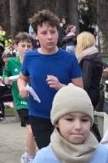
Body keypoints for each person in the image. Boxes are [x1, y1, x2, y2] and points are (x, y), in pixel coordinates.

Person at [18, 9, 83, 150]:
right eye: (44, 33)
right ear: (36, 35)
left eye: (53, 32)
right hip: (38, 115)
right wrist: (22, 88)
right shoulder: (30, 57)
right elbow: (22, 78)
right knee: (47, 153)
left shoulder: (69, 58)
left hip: (65, 115)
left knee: (65, 153)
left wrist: (61, 86)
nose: (49, 37)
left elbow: (80, 91)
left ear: (58, 33)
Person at [3, 32, 36, 163]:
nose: (26, 48)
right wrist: (6, 79)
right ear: (16, 46)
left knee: (36, 131)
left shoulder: (35, 60)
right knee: (31, 130)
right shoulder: (11, 62)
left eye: (29, 45)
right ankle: (32, 160)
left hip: (35, 100)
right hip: (21, 101)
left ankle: (27, 154)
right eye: (23, 45)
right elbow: (5, 74)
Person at [76, 31, 104, 139]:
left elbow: (85, 82)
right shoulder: (95, 57)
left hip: (89, 94)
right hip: (95, 92)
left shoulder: (87, 60)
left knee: (87, 120)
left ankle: (98, 141)